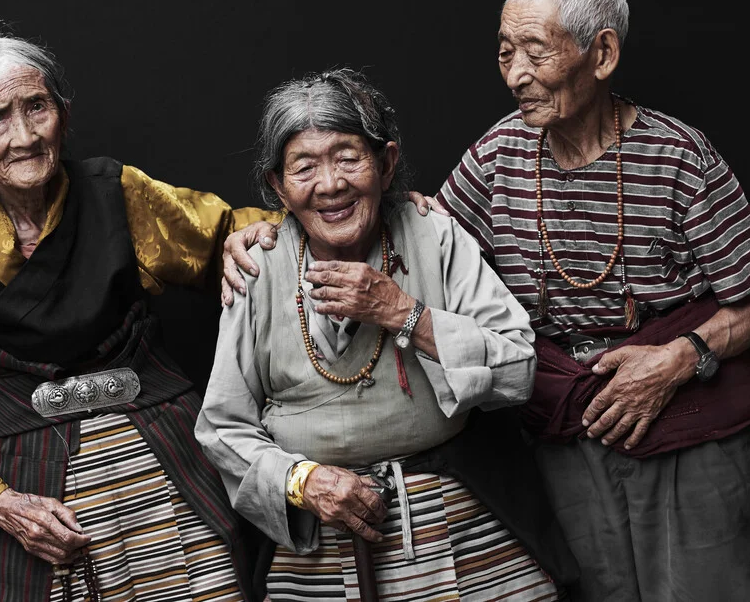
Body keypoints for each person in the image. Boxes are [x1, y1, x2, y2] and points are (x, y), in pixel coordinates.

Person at [223, 0, 750, 602]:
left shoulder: (677, 156)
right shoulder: (500, 153)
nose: (516, 75)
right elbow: (413, 222)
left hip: (685, 412)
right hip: (565, 424)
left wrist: (679, 360)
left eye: (535, 52)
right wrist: (257, 231)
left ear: (601, 53)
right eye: (504, 54)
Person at [0, 24, 283, 601]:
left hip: (165, 463)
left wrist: (380, 216)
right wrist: (3, 504)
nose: (24, 135)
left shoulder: (118, 192)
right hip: (37, 495)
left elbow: (233, 232)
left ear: (63, 116)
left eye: (37, 107)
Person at [196, 68, 579, 602]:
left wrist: (403, 313)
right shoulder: (256, 267)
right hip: (319, 537)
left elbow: (518, 368)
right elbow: (221, 426)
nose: (330, 184)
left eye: (349, 158)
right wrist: (304, 481)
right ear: (277, 188)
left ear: (387, 162)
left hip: (457, 517)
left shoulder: (432, 232)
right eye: (304, 167)